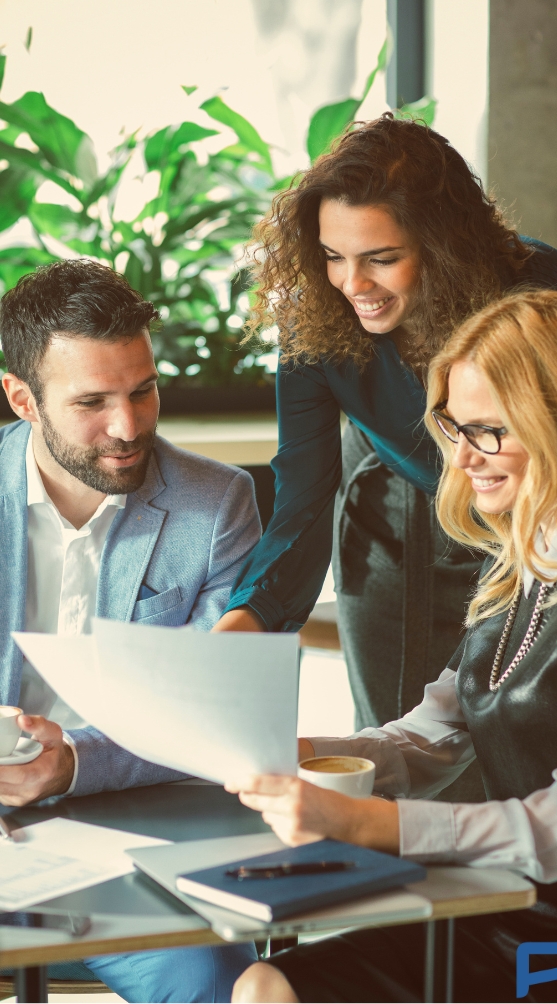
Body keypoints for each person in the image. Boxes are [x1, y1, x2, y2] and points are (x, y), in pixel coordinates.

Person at [214, 115, 557, 800]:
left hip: (543, 527)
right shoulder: (313, 321)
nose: (350, 283)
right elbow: (301, 497)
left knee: (532, 760)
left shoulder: (543, 288)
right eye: (331, 255)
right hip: (397, 520)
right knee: (398, 747)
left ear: (442, 244)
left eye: (380, 258)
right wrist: (248, 622)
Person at [229, 289, 557, 1003]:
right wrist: (311, 757)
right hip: (504, 901)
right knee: (265, 982)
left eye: (488, 432)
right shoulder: (522, 559)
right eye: (453, 427)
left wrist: (372, 823)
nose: (460, 458)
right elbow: (433, 737)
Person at [0, 260, 260, 1002]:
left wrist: (74, 763)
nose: (128, 426)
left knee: (213, 984)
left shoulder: (217, 506)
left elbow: (214, 719)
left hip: (132, 842)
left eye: (142, 391)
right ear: (22, 399)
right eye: (92, 402)